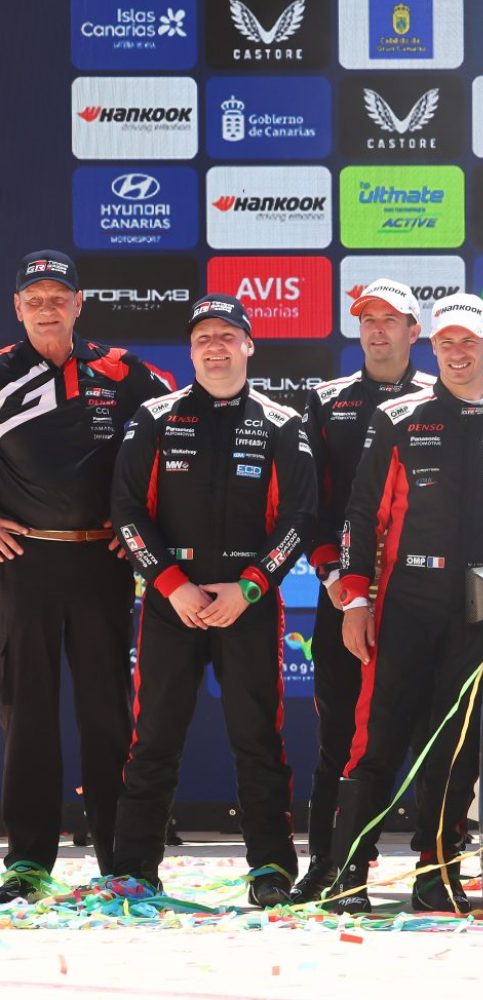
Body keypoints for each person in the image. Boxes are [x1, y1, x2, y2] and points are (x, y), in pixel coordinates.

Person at [322, 293, 483, 914]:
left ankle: (437, 872)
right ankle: (349, 874)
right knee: (378, 738)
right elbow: (361, 515)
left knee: (454, 744)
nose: (457, 353)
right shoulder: (397, 418)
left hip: (476, 610)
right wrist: (355, 600)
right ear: (432, 347)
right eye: (447, 342)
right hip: (404, 603)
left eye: (468, 342)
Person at [107, 294, 316, 906]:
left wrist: (251, 586)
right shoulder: (155, 417)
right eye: (203, 338)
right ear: (190, 350)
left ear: (249, 345)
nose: (215, 347)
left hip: (247, 603)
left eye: (227, 336)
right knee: (154, 737)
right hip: (173, 602)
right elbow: (126, 511)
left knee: (258, 738)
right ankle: (134, 868)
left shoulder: (281, 423)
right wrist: (170, 584)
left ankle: (271, 868)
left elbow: (301, 518)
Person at [0, 250, 173, 903]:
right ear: (18, 308)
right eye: (34, 299)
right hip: (24, 566)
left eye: (58, 297)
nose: (47, 308)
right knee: (28, 715)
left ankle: (120, 859)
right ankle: (27, 860)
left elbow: (178, 445)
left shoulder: (125, 371)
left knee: (107, 715)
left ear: (79, 303)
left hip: (103, 564)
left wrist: (144, 529)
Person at [290, 278, 434, 903]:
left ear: (413, 331)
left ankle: (435, 870)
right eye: (367, 319)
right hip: (345, 599)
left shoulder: (442, 397)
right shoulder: (327, 402)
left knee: (429, 736)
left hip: (422, 597)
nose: (377, 330)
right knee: (339, 737)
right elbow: (309, 508)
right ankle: (327, 867)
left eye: (390, 319)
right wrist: (337, 583)